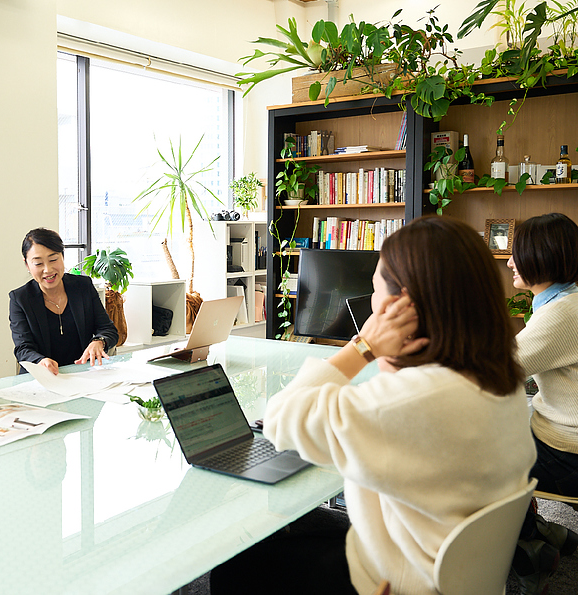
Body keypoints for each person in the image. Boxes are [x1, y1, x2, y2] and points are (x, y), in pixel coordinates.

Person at [210, 216, 535, 595]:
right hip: (434, 563)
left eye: (374, 289)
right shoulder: (500, 378)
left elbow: (282, 422)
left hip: (388, 580)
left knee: (236, 559)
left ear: (401, 306)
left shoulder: (411, 403)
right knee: (292, 523)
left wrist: (362, 346)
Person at [509, 213, 578, 496]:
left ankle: (531, 536)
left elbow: (495, 369)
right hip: (562, 440)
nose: (510, 262)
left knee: (474, 465)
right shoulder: (567, 299)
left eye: (517, 255)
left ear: (540, 257)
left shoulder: (561, 314)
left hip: (565, 454)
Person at [9, 228, 118, 374]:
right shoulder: (20, 299)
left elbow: (108, 329)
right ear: (27, 265)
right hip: (42, 379)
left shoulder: (82, 286)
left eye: (53, 259)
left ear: (62, 257)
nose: (47, 269)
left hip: (82, 375)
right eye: (38, 264)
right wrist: (40, 361)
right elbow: (23, 348)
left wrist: (99, 341)